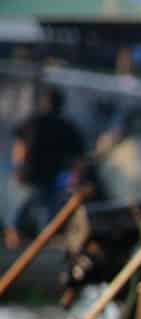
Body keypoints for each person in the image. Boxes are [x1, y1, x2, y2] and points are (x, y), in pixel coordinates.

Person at [8, 87, 86, 247]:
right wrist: (76, 179)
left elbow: (19, 146)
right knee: (41, 213)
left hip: (31, 176)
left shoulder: (33, 122)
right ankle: (32, 241)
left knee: (25, 210)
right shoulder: (64, 126)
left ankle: (19, 239)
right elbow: (78, 159)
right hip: (46, 178)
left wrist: (17, 166)